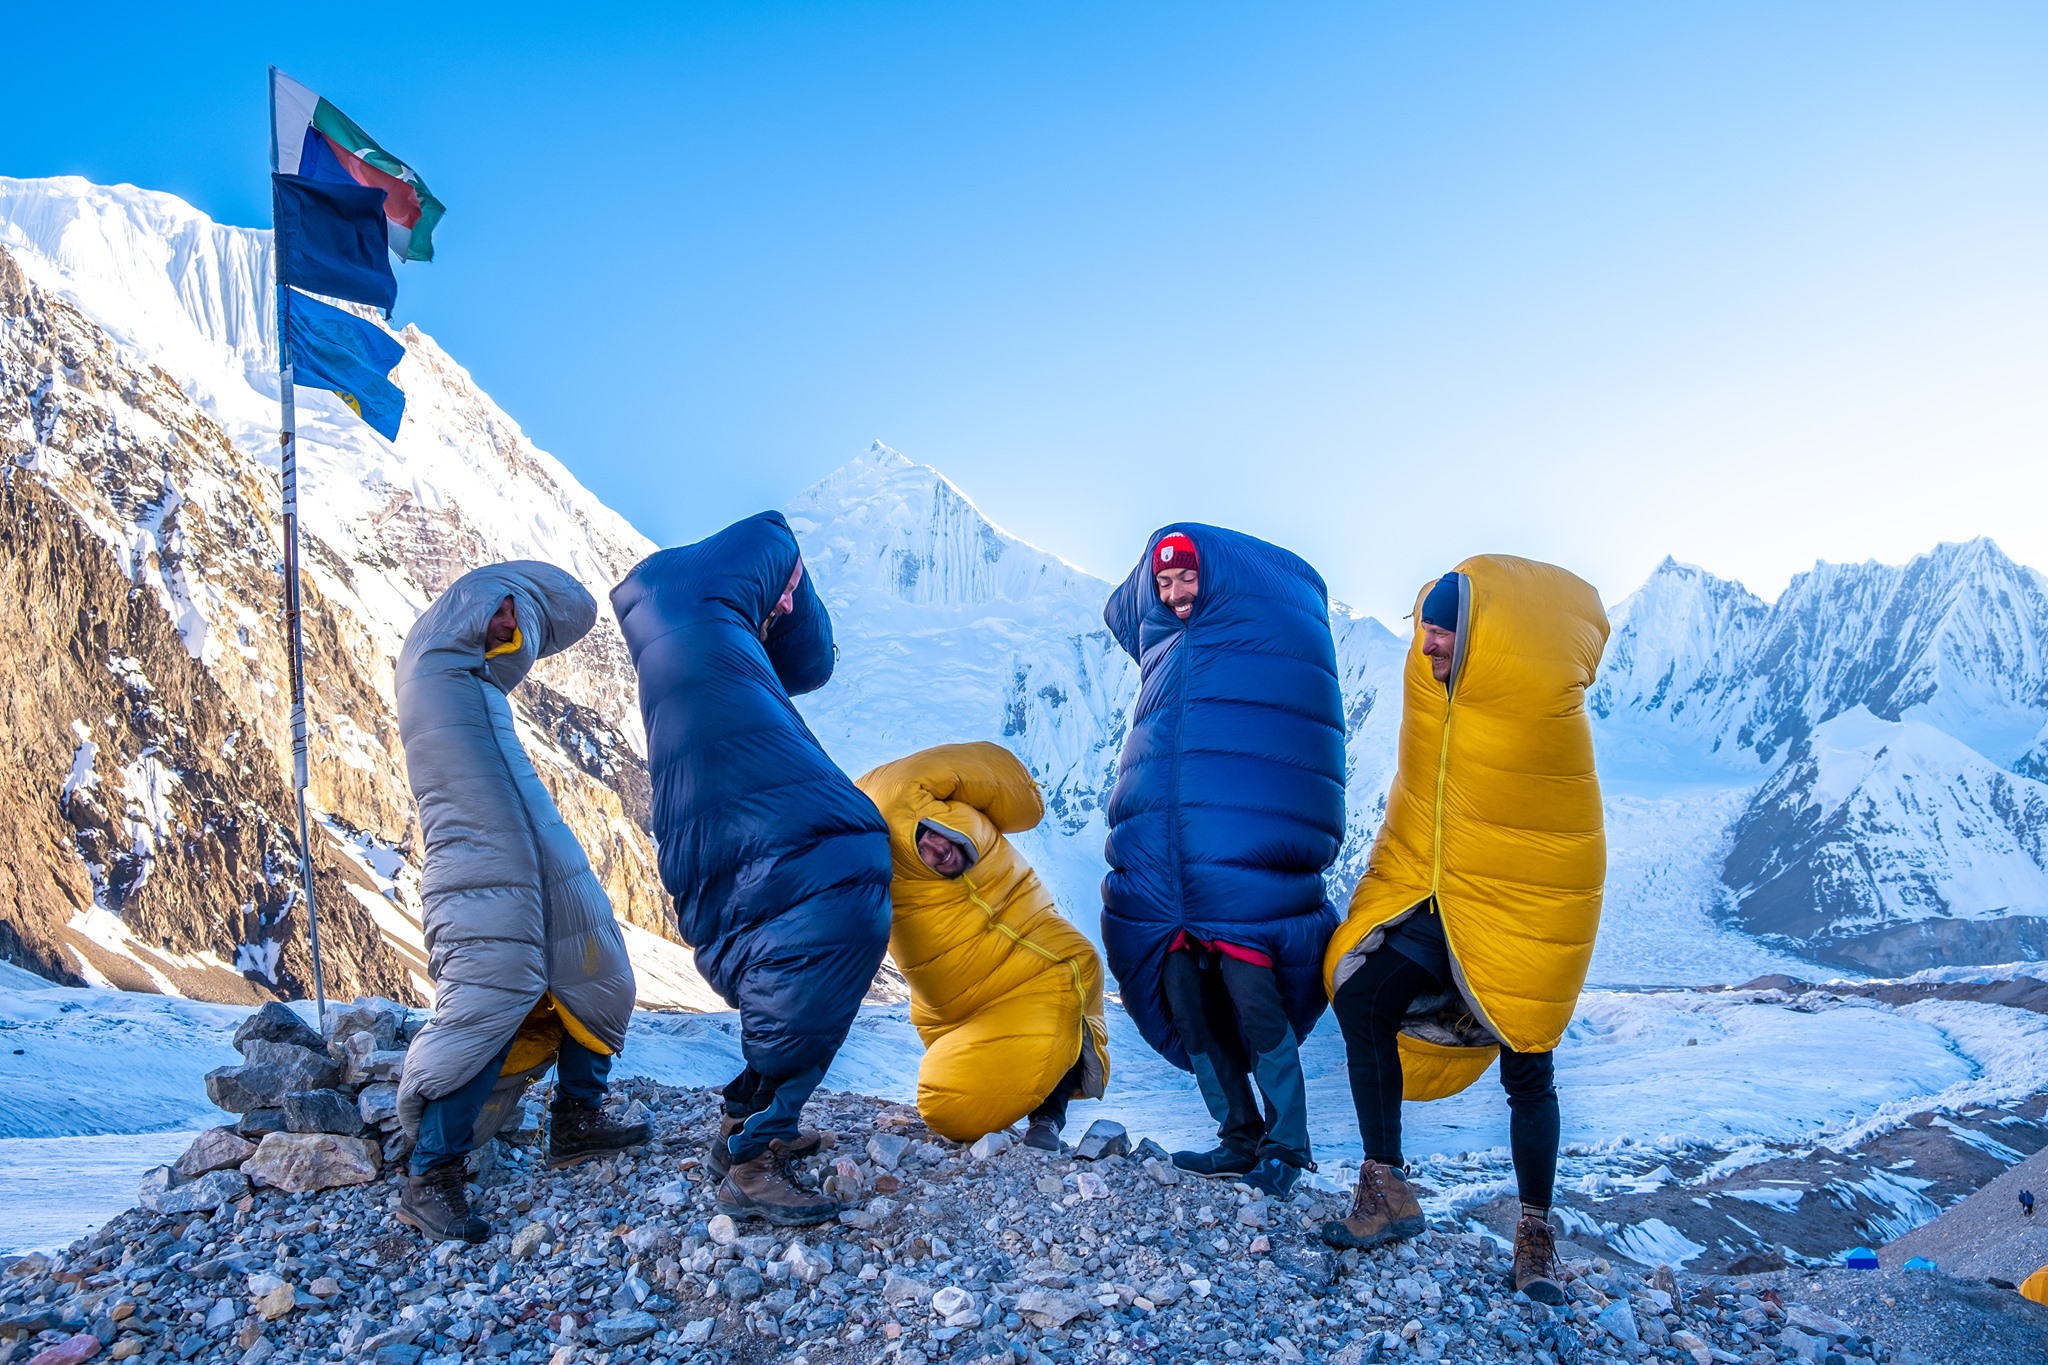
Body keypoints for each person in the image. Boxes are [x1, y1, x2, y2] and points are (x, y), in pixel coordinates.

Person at [1319, 559, 1609, 1306]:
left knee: (1528, 1058)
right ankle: (1385, 1183)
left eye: (1446, 632)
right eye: (1428, 628)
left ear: (1480, 636)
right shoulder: (1436, 700)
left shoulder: (1536, 712)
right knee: (1363, 996)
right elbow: (1419, 799)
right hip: (1444, 901)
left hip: (1524, 911)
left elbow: (1564, 829)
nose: (1431, 645)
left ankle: (1535, 1233)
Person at [612, 512, 892, 1226]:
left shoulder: (692, 626)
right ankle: (753, 1159)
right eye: (788, 589)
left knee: (798, 933)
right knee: (833, 897)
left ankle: (748, 1117)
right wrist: (789, 580)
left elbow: (804, 669)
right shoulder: (711, 620)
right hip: (744, 817)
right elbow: (814, 656)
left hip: (714, 821)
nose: (790, 604)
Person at [393, 562, 647, 1244]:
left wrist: (525, 616)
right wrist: (514, 599)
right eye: (501, 612)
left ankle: (578, 1119)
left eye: (515, 620)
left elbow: (572, 609)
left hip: (531, 860)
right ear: (466, 607)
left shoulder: (478, 685)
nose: (508, 628)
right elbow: (573, 604)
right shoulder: (431, 667)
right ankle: (431, 1175)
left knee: (603, 972)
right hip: (477, 871)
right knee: (484, 1010)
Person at [1100, 527, 1345, 1198]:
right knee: (1186, 999)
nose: (1176, 593)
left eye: (1186, 578)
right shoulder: (1168, 649)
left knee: (1256, 1005)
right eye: (1164, 583)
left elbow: (1287, 749)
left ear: (1213, 581)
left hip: (1238, 877)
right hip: (1167, 882)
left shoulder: (1251, 650)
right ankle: (1237, 1135)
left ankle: (1288, 1147)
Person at [856, 742, 1109, 1149]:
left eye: (936, 836)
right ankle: (1041, 1115)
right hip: (952, 1009)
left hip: (1040, 967)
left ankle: (1047, 1119)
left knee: (1067, 982)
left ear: (940, 818)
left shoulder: (939, 807)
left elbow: (1023, 805)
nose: (939, 850)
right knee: (952, 1105)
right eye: (922, 849)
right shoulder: (879, 861)